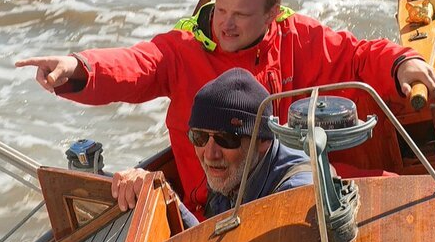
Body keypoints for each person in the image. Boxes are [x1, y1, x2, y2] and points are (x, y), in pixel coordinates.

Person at [15, 0, 435, 218]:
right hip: (215, 201)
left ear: (272, 14)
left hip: (286, 174)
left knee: (408, 198)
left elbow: (358, 55)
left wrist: (403, 62)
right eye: (221, 8)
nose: (226, 23)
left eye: (241, 14)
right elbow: (134, 65)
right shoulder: (181, 49)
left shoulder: (297, 37)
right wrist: (78, 67)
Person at [111, 68, 313, 226]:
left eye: (226, 139)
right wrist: (163, 197)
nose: (210, 153)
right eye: (198, 137)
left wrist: (173, 207)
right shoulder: (233, 170)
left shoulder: (296, 196)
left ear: (263, 141)